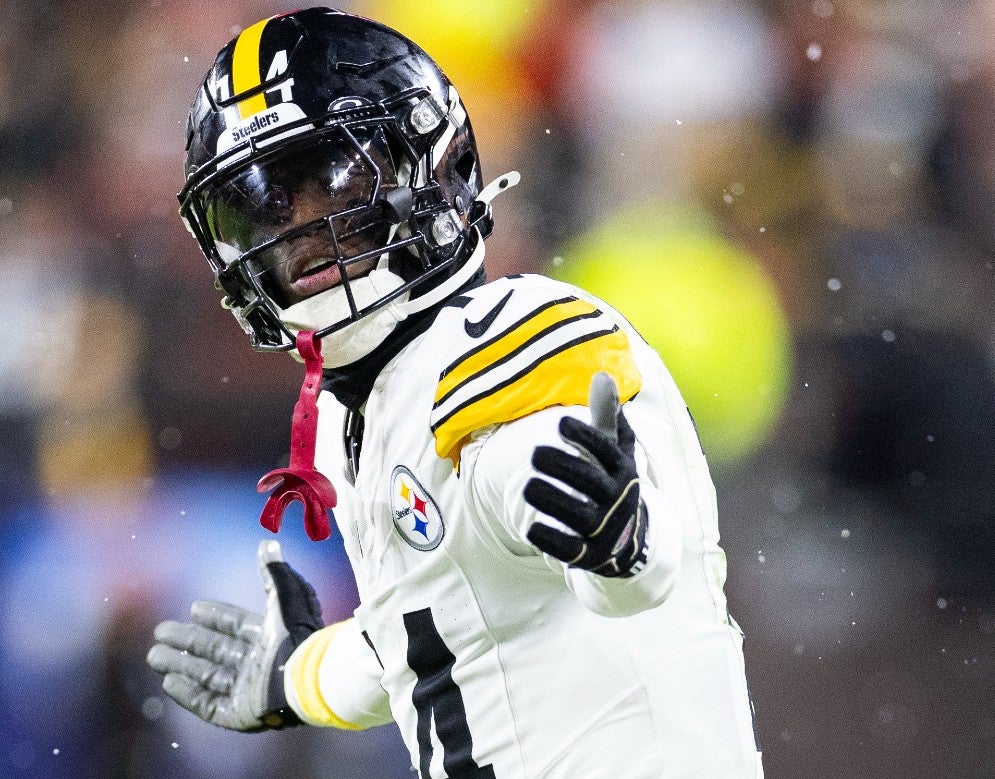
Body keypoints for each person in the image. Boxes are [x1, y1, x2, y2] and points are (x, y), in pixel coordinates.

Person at [145, 8, 763, 778]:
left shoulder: (517, 330)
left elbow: (613, 556)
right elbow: (431, 629)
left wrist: (617, 539)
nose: (301, 224)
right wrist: (294, 675)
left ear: (433, 169)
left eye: (332, 177)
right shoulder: (355, 407)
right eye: (268, 200)